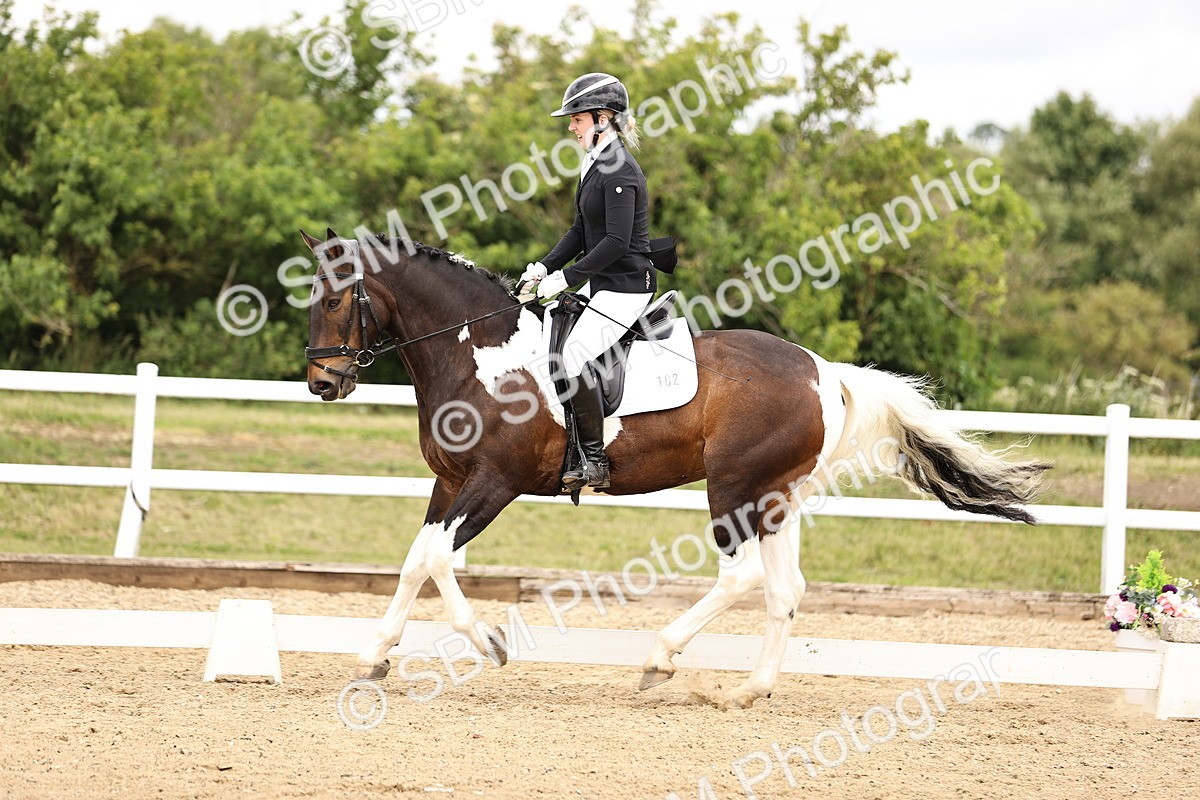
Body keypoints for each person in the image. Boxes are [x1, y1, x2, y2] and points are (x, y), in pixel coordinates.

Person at [522, 72, 657, 490]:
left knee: (576, 358)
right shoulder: (595, 163)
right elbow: (581, 231)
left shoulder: (620, 170)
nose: (570, 125)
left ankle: (594, 460)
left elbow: (616, 242)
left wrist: (566, 277)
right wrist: (544, 267)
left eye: (576, 118)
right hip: (599, 283)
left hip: (626, 286)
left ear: (602, 118)